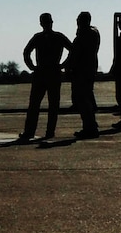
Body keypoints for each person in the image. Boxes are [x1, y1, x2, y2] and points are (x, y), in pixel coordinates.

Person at [19, 13, 71, 142]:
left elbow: (26, 52)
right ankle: (44, 131)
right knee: (46, 104)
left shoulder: (43, 37)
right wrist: (63, 65)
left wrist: (32, 66)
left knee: (39, 104)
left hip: (46, 73)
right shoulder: (54, 37)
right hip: (48, 73)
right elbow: (26, 52)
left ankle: (32, 131)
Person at [68, 12, 101, 138]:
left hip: (82, 70)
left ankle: (90, 126)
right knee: (87, 96)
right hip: (90, 68)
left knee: (82, 99)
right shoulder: (94, 33)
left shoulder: (84, 35)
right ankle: (91, 124)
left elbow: (76, 53)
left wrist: (70, 67)